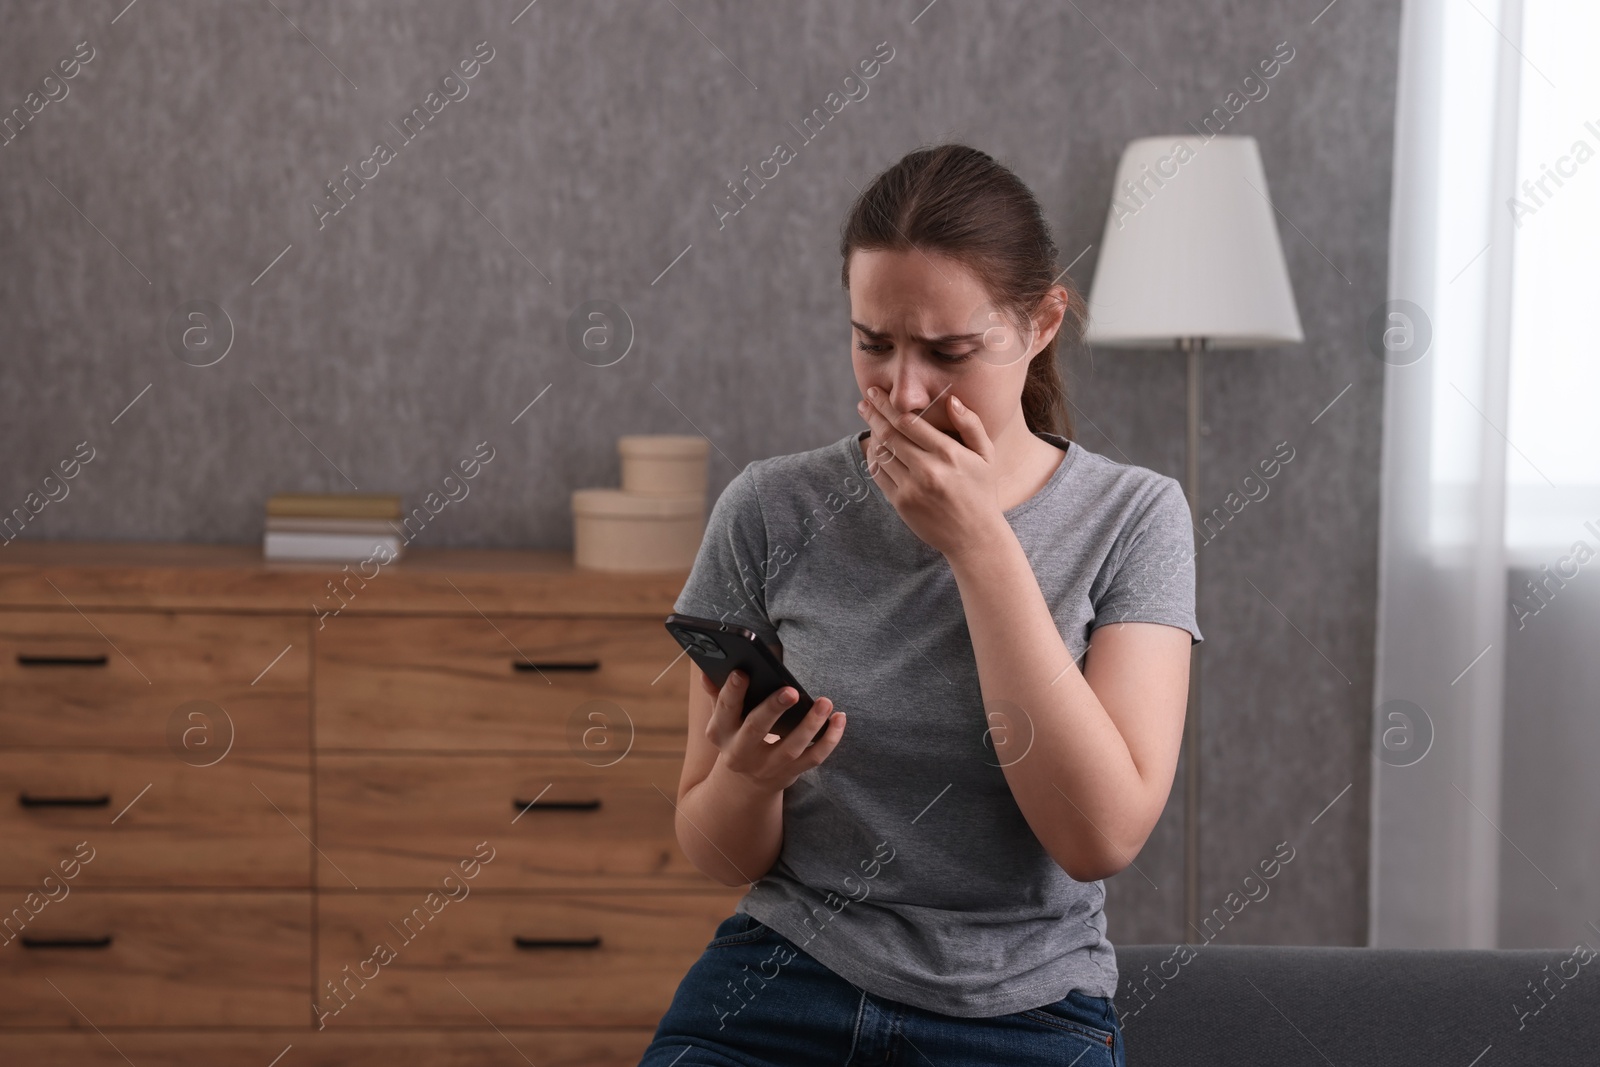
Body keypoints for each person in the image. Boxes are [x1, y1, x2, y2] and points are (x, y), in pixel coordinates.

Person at [637, 143, 1202, 1067]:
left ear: (1043, 321)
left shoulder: (1134, 516)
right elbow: (716, 852)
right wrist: (747, 781)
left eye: (949, 352)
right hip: (783, 979)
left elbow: (1098, 834)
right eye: (874, 344)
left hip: (1020, 1013)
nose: (901, 392)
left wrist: (980, 545)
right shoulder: (770, 508)